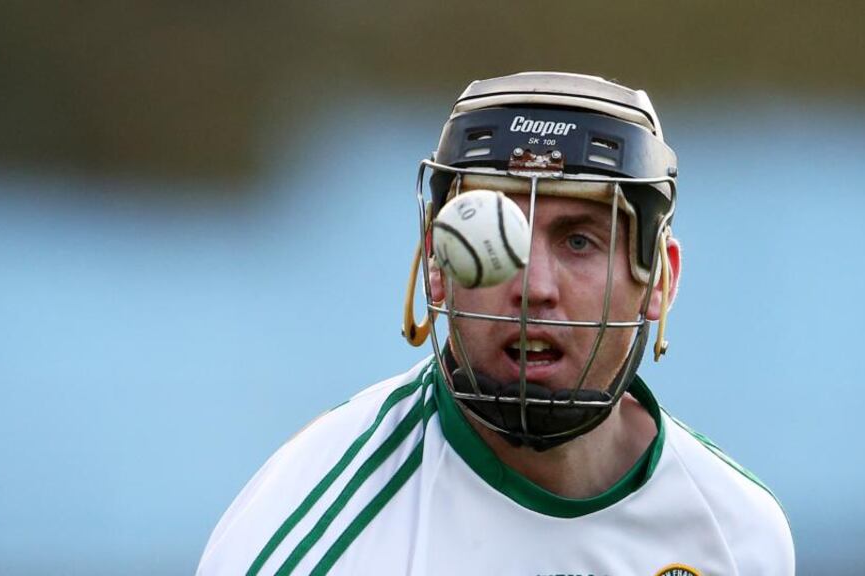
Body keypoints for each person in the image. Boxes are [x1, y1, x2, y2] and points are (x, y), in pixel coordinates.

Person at [197, 72, 794, 576]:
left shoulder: (739, 536)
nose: (533, 287)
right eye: (488, 236)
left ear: (659, 280)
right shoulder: (310, 535)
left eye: (579, 240)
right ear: (435, 266)